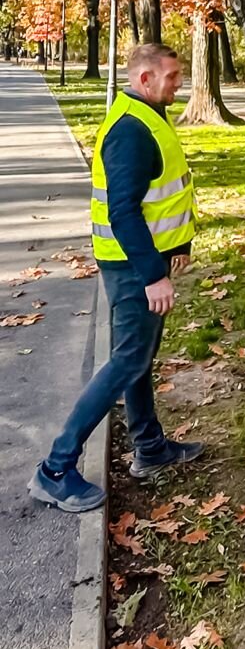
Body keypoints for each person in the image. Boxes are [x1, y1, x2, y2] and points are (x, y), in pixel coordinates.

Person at [29, 43, 204, 513]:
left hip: (142, 262)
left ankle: (149, 447)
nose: (178, 82)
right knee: (127, 360)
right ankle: (55, 468)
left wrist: (177, 246)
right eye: (171, 76)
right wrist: (153, 274)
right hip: (132, 268)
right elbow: (124, 212)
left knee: (138, 358)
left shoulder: (148, 116)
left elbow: (157, 193)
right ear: (145, 79)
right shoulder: (131, 130)